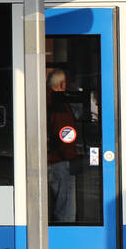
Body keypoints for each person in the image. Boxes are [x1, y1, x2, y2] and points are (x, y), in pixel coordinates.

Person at [47, 68, 78, 223]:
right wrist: (71, 157)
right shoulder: (59, 104)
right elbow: (65, 133)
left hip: (51, 159)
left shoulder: (45, 99)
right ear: (61, 84)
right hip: (61, 161)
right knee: (65, 210)